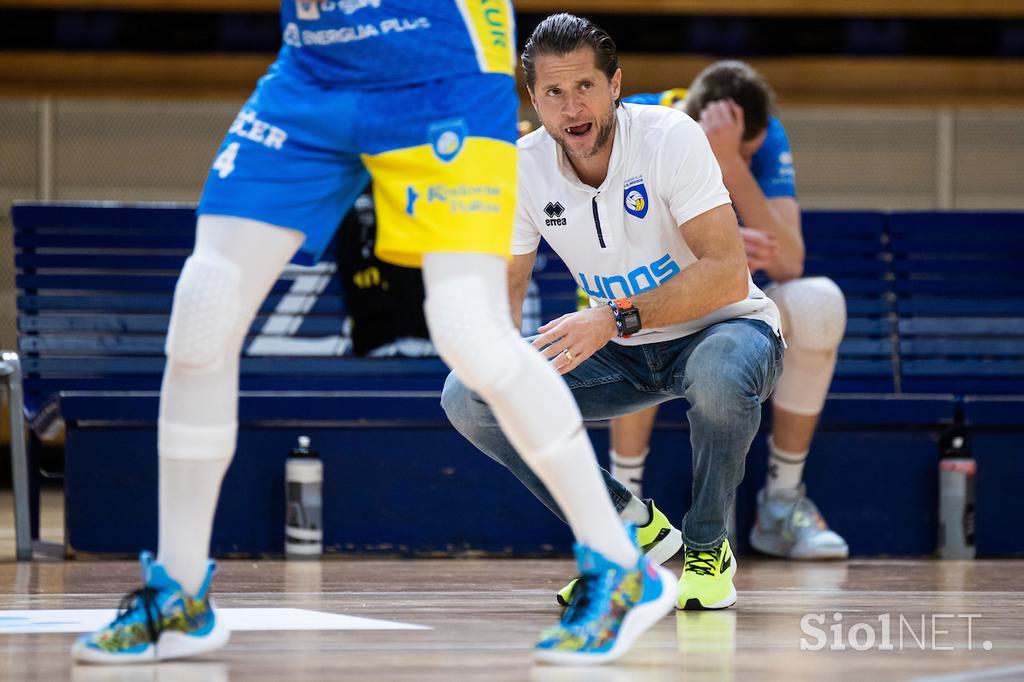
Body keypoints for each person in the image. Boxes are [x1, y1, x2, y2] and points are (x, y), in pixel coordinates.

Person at [72, 3, 674, 666]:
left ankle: (621, 566)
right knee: (204, 305)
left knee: (469, 330)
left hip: (442, 60)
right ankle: (181, 594)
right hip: (316, 64)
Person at [442, 15, 783, 614]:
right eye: (554, 92)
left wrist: (613, 320)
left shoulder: (671, 136)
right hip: (622, 353)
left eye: (585, 87)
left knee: (720, 375)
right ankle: (625, 534)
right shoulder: (522, 168)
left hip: (724, 328)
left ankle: (708, 547)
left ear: (616, 85)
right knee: (469, 396)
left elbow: (728, 271)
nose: (571, 107)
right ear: (534, 100)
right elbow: (507, 294)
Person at [613, 61, 850, 560]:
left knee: (817, 302)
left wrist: (732, 162)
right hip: (647, 296)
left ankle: (782, 504)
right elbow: (607, 246)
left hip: (731, 310)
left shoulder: (762, 136)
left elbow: (789, 260)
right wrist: (703, 245)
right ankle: (625, 513)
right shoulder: (637, 121)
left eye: (747, 154)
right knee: (619, 304)